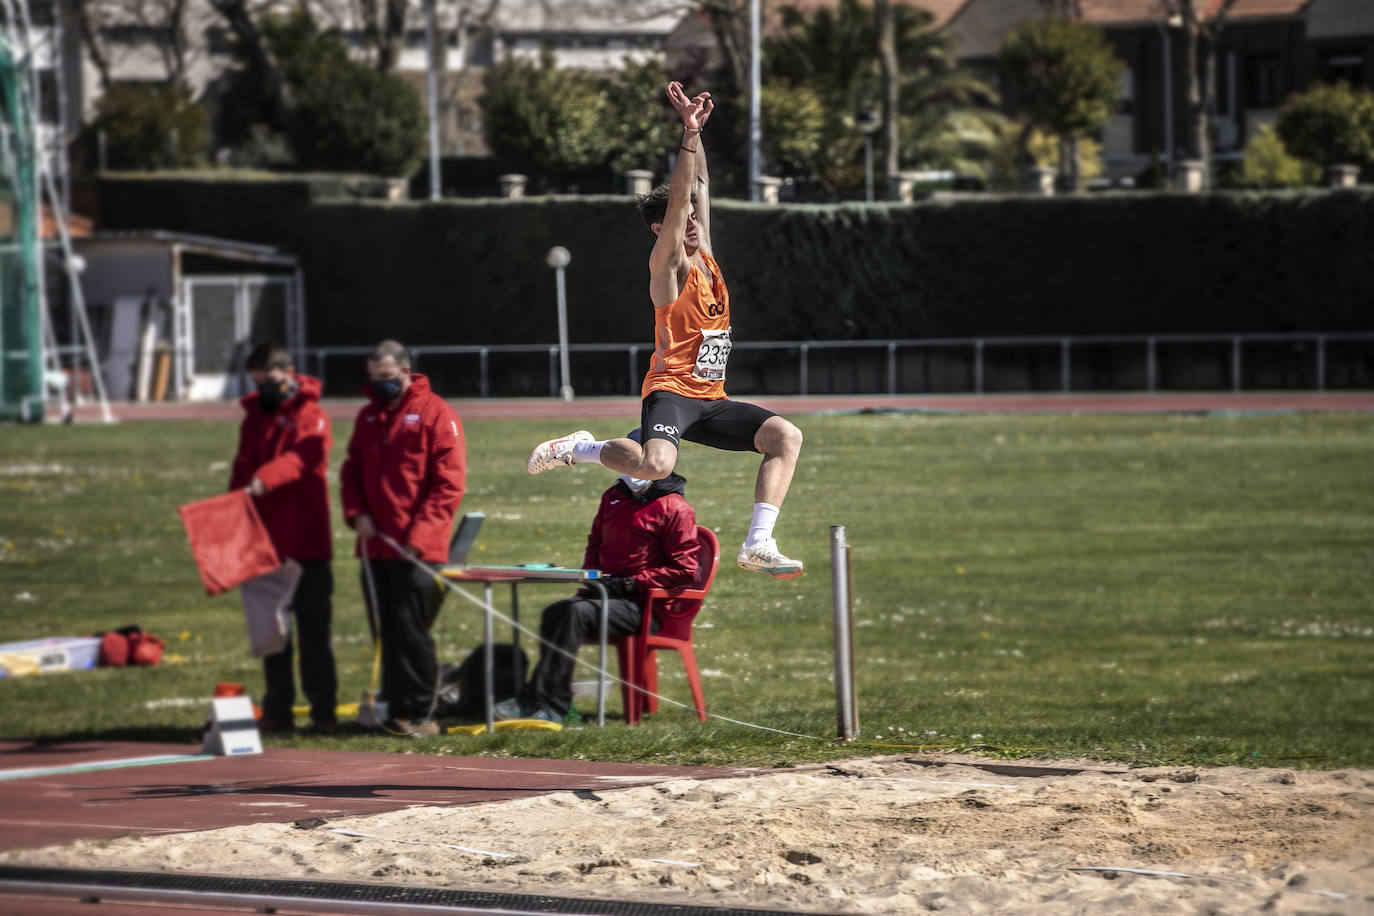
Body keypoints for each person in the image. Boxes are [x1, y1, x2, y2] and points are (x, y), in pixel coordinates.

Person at [525, 81, 804, 579]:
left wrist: (699, 132)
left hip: (712, 399)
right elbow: (680, 200)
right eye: (684, 220)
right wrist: (686, 136)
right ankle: (582, 448)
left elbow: (698, 190)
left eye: (697, 218)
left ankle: (758, 542)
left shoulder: (708, 254)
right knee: (654, 467)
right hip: (671, 392)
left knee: (786, 437)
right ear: (661, 231)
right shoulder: (668, 266)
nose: (694, 222)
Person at [498, 432, 701, 723]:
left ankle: (550, 707)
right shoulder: (613, 497)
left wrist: (631, 583)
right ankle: (547, 700)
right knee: (556, 612)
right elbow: (595, 542)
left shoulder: (675, 508)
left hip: (644, 607)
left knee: (576, 613)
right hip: (606, 595)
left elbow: (685, 570)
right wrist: (592, 576)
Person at [340, 340, 466, 737]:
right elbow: (351, 472)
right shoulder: (368, 418)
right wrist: (356, 514)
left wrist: (421, 535)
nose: (381, 385)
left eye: (388, 378)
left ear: (405, 371)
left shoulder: (436, 413)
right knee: (386, 628)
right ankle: (395, 710)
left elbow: (448, 484)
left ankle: (423, 711)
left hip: (417, 547)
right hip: (375, 544)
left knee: (411, 628)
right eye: (374, 378)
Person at [229, 342, 337, 734]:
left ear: (289, 373)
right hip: (267, 545)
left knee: (314, 636)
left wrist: (264, 479)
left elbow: (303, 459)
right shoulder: (254, 415)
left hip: (307, 545)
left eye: (270, 381)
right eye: (258, 383)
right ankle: (278, 710)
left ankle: (323, 712)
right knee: (272, 636)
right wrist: (232, 515)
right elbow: (241, 468)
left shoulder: (313, 414)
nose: (265, 390)